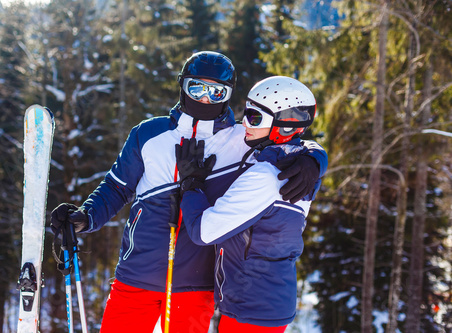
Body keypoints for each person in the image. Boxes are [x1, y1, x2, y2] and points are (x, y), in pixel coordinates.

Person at [50, 52, 328, 333]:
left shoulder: (241, 141)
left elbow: (288, 141)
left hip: (196, 284)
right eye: (196, 88)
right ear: (182, 86)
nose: (205, 99)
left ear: (228, 95)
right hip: (136, 274)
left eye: (217, 92)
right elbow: (116, 187)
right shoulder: (148, 134)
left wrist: (314, 159)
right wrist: (87, 216)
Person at [176, 76, 324, 332]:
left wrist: (191, 185)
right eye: (246, 112)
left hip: (250, 307)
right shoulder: (296, 167)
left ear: (284, 126)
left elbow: (204, 232)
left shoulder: (266, 177)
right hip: (266, 302)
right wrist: (316, 156)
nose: (244, 122)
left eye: (255, 118)